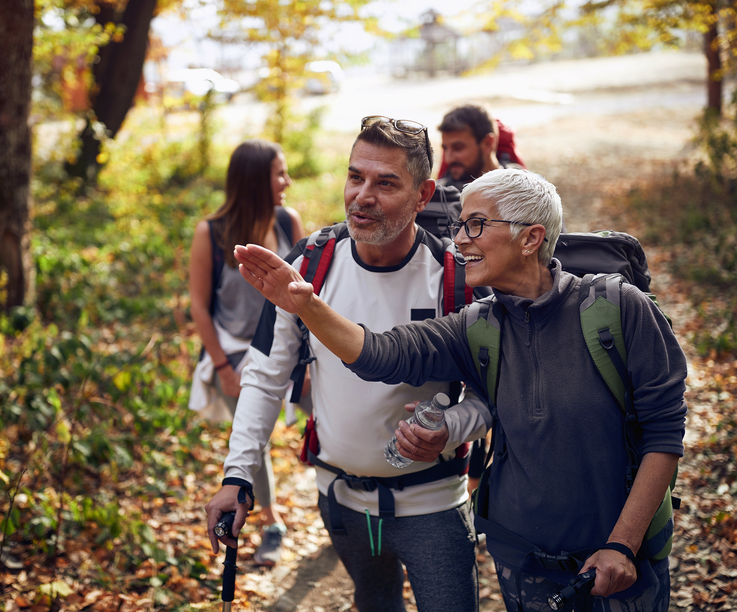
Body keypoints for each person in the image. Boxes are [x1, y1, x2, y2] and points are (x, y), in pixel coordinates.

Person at [233, 168, 686, 612]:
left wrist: (622, 545)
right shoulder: (477, 325)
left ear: (530, 238)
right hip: (520, 559)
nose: (460, 240)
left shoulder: (619, 309)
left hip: (618, 563)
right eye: (459, 225)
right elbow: (381, 355)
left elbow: (664, 433)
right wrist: (307, 305)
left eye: (476, 225)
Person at [205, 116, 490, 612]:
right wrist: (237, 477)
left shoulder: (454, 279)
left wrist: (454, 426)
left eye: (385, 183)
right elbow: (265, 376)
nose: (362, 195)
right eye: (355, 176)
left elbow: (495, 392)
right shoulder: (311, 263)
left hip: (434, 505)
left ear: (423, 195)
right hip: (340, 502)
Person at [188, 138, 307, 567]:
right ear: (257, 180)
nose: (287, 181)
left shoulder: (286, 221)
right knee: (250, 429)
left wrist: (307, 364)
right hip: (236, 351)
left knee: (332, 402)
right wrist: (221, 366)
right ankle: (272, 521)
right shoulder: (212, 232)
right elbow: (199, 306)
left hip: (288, 346)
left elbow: (307, 296)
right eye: (279, 173)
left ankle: (350, 497)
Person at [436, 104, 525, 192]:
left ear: (488, 143)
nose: (448, 159)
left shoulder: (524, 188)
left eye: (458, 148)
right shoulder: (438, 195)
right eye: (445, 149)